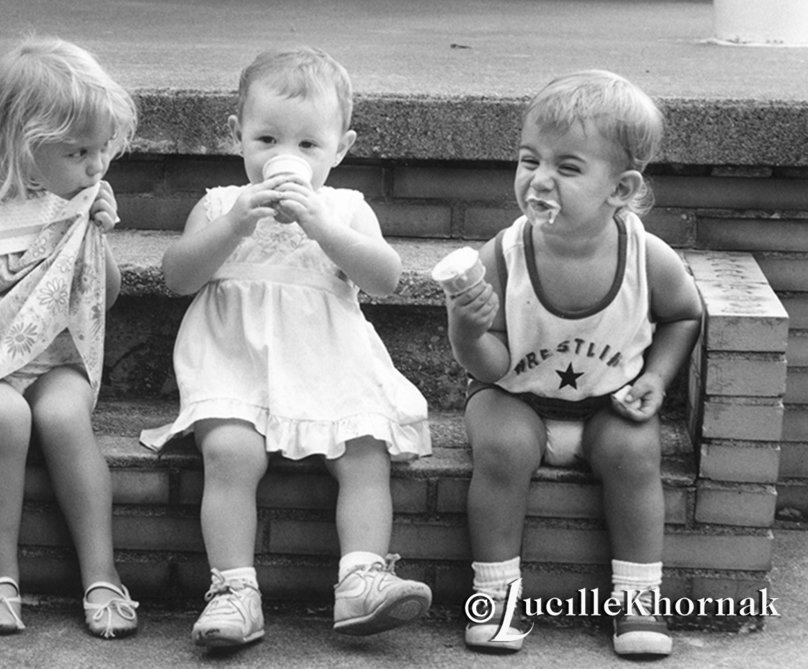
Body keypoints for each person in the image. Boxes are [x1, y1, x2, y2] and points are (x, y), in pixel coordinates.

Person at [140, 47, 433, 648]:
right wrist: (234, 226)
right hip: (235, 362)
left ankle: (361, 578)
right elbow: (178, 277)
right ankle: (233, 590)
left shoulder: (347, 208)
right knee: (229, 452)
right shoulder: (222, 202)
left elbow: (385, 277)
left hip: (328, 363)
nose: (285, 158)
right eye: (268, 139)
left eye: (308, 146)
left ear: (341, 149)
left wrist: (322, 226)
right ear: (237, 136)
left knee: (365, 453)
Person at [446, 70, 702, 657]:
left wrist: (657, 378)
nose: (538, 180)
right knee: (504, 446)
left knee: (636, 451)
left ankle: (639, 599)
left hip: (605, 403)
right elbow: (489, 367)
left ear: (620, 188)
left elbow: (684, 315)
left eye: (567, 167)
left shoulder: (645, 255)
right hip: (515, 396)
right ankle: (495, 597)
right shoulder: (504, 256)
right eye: (528, 159)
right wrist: (467, 326)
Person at [0, 36, 140, 639]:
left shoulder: (76, 198)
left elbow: (103, 298)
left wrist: (98, 239)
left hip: (55, 358)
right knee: (7, 419)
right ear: (22, 145)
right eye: (79, 151)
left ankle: (102, 574)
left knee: (65, 417)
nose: (96, 166)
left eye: (102, 150)